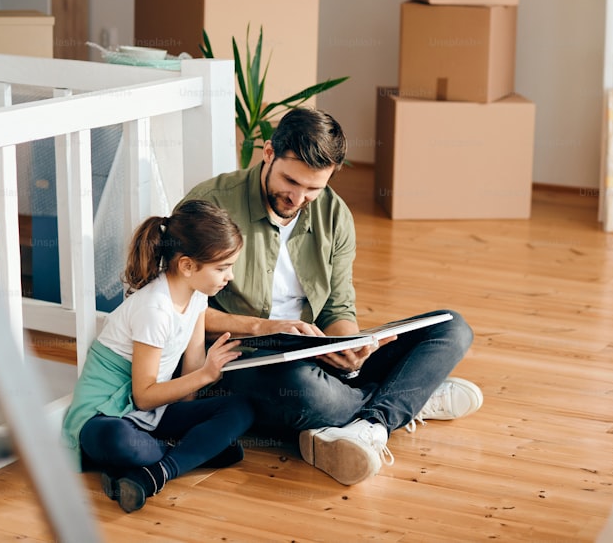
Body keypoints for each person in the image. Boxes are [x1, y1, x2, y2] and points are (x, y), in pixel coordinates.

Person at [180, 107, 482, 486]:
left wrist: (349, 345)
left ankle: (368, 422)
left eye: (313, 189)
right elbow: (178, 308)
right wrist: (267, 326)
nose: (298, 197)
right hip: (247, 363)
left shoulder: (334, 214)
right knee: (309, 395)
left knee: (451, 327)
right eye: (291, 181)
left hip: (318, 356)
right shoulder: (212, 205)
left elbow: (338, 304)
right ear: (269, 153)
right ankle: (404, 400)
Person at [61, 200, 254, 513]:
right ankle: (188, 455)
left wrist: (191, 406)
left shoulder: (197, 297)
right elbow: (144, 396)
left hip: (152, 416)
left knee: (240, 408)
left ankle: (153, 474)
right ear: (188, 266)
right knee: (119, 440)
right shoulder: (155, 309)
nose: (229, 276)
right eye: (222, 267)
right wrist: (207, 376)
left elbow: (191, 370)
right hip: (104, 417)